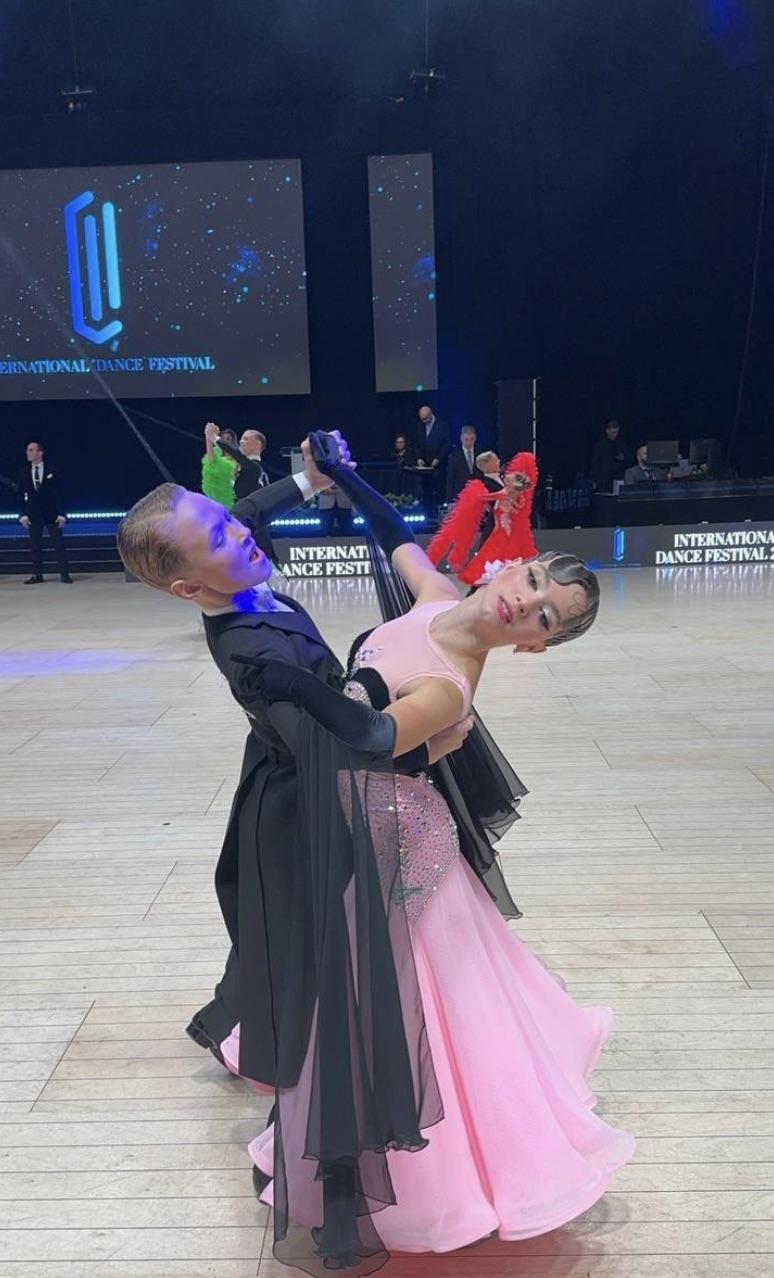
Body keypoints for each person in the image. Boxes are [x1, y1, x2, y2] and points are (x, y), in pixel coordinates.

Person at [236, 435, 635, 1272]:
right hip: (361, 824)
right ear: (513, 567)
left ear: (537, 645)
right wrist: (344, 475)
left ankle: (414, 1177)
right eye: (534, 582)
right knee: (377, 998)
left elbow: (373, 734)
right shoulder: (437, 596)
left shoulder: (453, 685)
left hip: (392, 842)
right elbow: (396, 535)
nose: (525, 603)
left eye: (545, 617)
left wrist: (292, 683)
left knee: (390, 1008)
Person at [116, 434, 466, 1089]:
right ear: (190, 587)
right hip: (300, 796)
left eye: (224, 519)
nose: (239, 531)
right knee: (294, 929)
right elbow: (322, 745)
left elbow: (250, 508)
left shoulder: (231, 571)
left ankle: (244, 1026)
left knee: (281, 927)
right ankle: (264, 1044)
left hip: (298, 768)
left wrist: (312, 479)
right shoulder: (253, 654)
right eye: (219, 537)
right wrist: (424, 748)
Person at [428, 451, 539, 587]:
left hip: (507, 526)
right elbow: (489, 498)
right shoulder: (487, 484)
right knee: (490, 555)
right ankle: (482, 585)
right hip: (495, 525)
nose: (499, 461)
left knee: (499, 553)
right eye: (495, 460)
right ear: (486, 465)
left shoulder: (506, 485)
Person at [16, 441, 72, 585]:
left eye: (31, 450)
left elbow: (60, 494)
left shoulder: (52, 471)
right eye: (27, 450)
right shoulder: (23, 472)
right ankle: (37, 574)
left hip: (52, 514)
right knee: (35, 546)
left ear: (40, 453)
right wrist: (22, 515)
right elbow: (19, 495)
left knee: (58, 545)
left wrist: (62, 514)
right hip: (33, 515)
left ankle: (64, 574)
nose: (28, 453)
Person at [202, 426, 240, 507]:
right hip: (213, 496)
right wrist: (209, 436)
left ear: (233, 442)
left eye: (228, 439)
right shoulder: (216, 456)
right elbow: (211, 460)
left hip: (229, 499)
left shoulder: (239, 460)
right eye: (223, 438)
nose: (225, 441)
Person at [445, 425, 481, 502]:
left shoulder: (480, 454)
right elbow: (450, 478)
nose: (469, 443)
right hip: (460, 494)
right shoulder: (454, 456)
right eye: (466, 439)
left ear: (475, 438)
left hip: (477, 494)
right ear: (461, 438)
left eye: (472, 439)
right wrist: (449, 499)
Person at [590, 420, 627, 491]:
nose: (615, 435)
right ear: (607, 431)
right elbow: (595, 463)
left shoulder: (621, 444)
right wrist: (595, 479)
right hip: (603, 480)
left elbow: (628, 459)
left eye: (617, 433)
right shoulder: (600, 445)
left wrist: (623, 458)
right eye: (613, 432)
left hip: (618, 478)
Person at [414, 404, 449, 471]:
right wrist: (419, 458)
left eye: (425, 419)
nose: (423, 421)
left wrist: (438, 458)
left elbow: (446, 445)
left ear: (431, 414)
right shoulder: (419, 426)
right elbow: (417, 444)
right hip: (424, 466)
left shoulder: (442, 426)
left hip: (439, 466)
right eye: (422, 419)